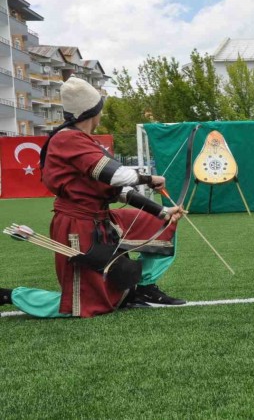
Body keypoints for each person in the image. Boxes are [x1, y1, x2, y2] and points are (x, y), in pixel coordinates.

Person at [0, 77, 185, 318]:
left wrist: (161, 212)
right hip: (77, 225)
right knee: (83, 305)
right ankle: (9, 295)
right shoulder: (68, 139)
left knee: (162, 224)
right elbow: (117, 176)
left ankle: (143, 288)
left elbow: (116, 189)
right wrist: (150, 179)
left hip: (100, 218)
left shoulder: (82, 141)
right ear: (93, 112)